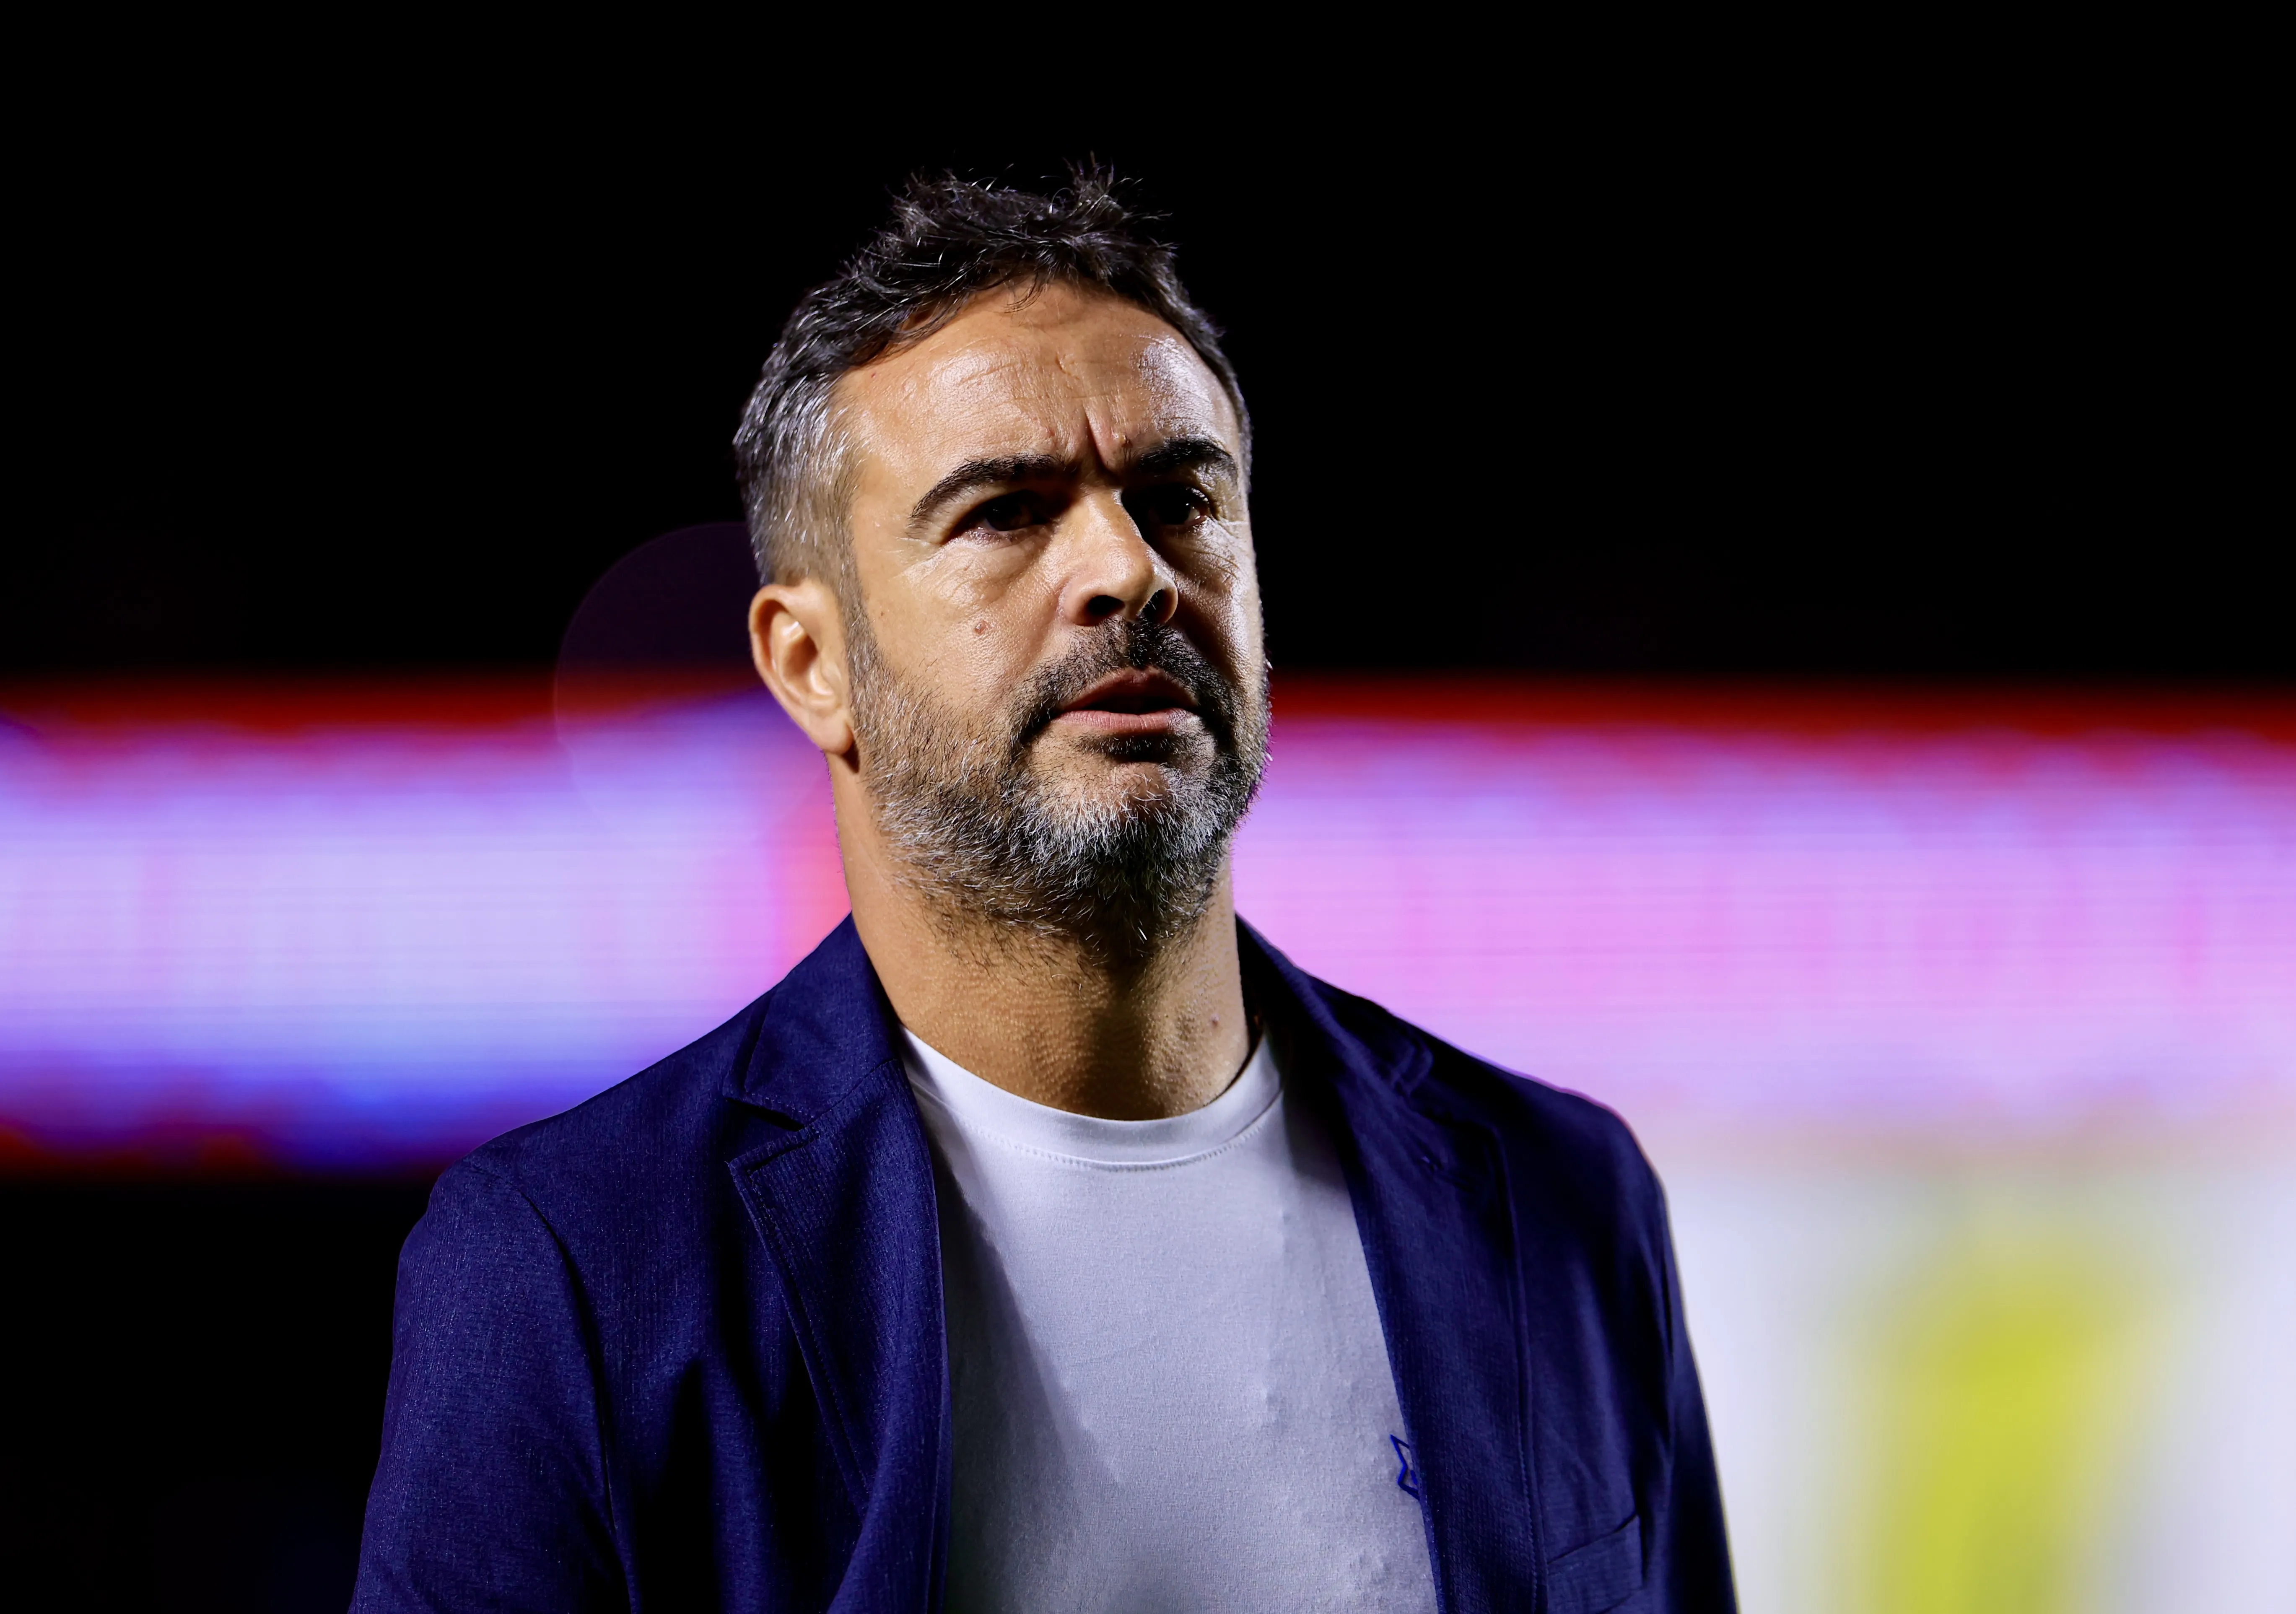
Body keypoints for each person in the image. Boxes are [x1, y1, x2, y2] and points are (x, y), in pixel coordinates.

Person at [352, 169, 1734, 1614]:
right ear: (811, 665)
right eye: (1007, 511)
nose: (1129, 570)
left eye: (1179, 496)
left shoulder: (1563, 1199)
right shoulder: (574, 1264)